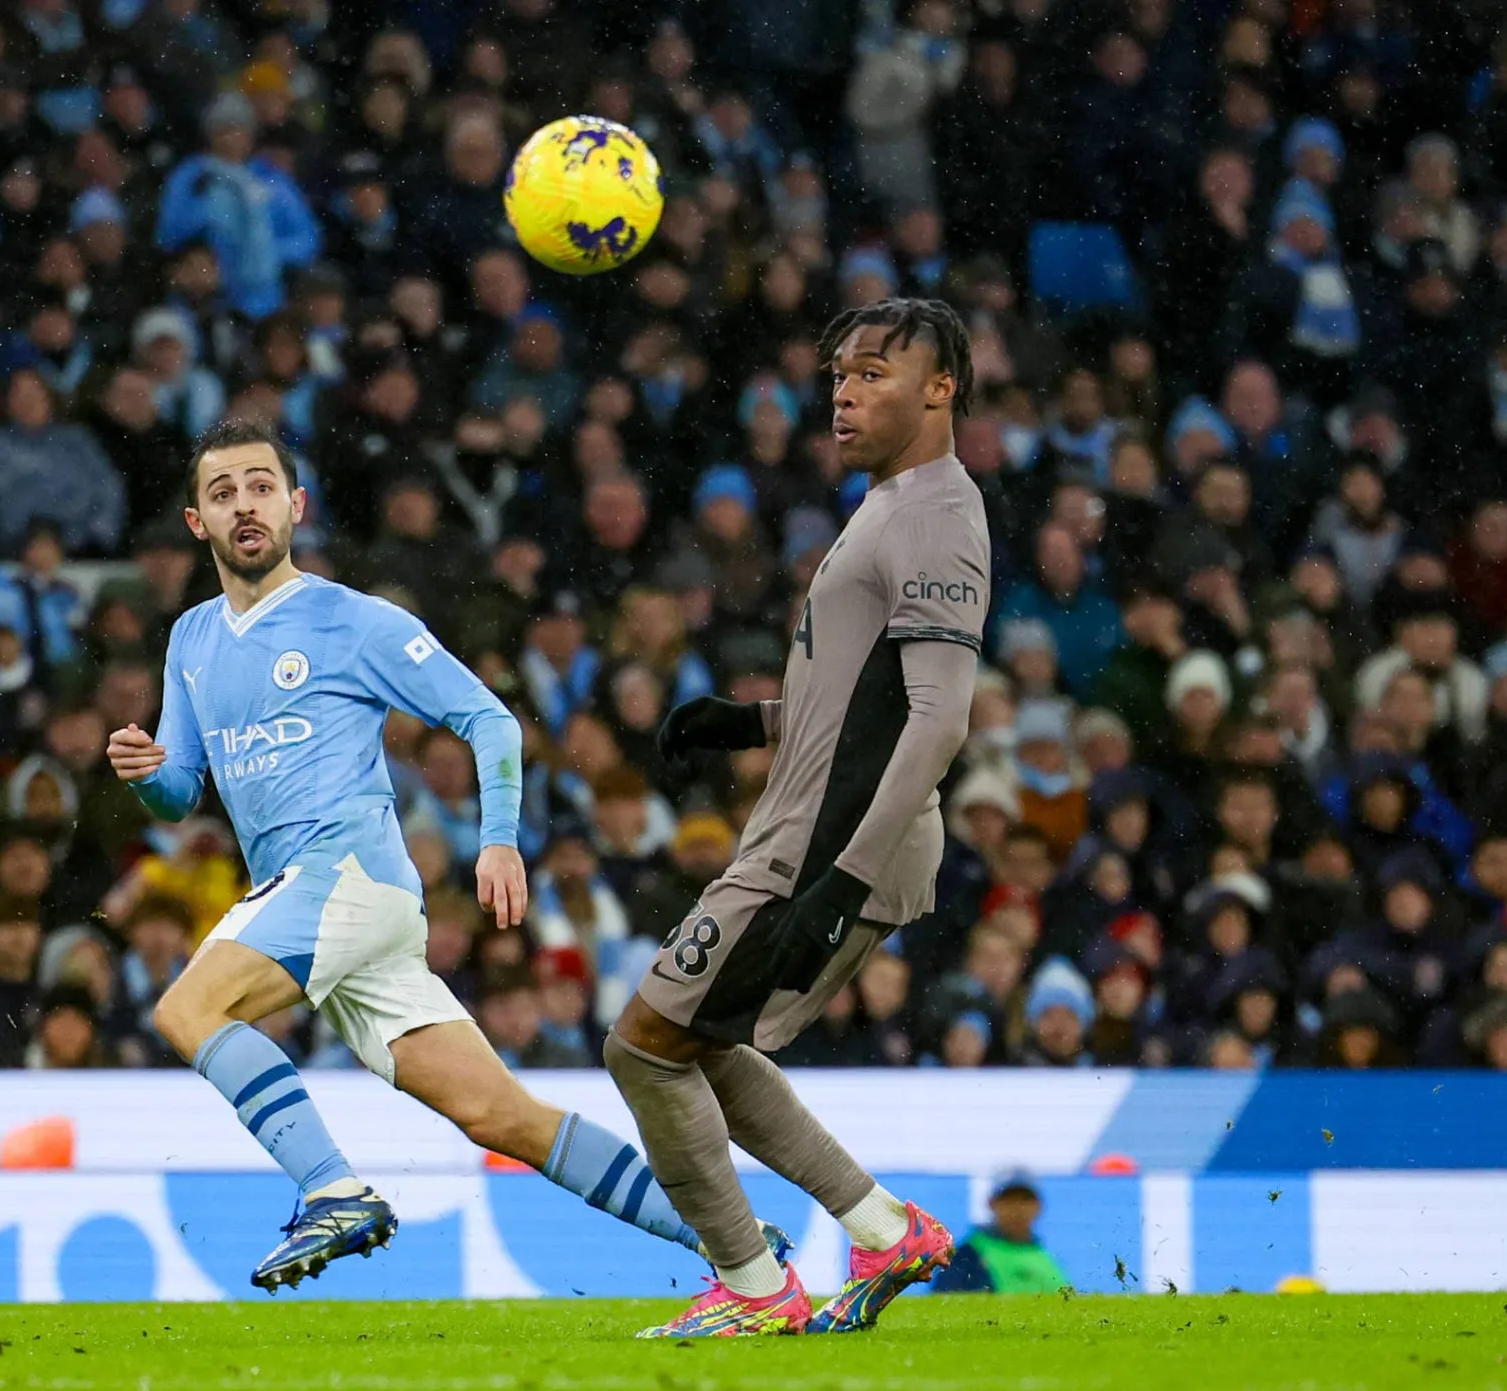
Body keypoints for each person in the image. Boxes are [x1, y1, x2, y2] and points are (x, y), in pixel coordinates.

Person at [106, 419, 772, 1293]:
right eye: (222, 492)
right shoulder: (191, 638)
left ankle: (332, 1189)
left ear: (295, 505)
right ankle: (742, 1246)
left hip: (343, 875)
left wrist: (499, 838)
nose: (245, 505)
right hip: (320, 902)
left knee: (188, 1010)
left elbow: (488, 718)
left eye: (260, 486)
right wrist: (146, 775)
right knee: (500, 1115)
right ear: (198, 522)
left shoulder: (353, 620)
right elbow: (184, 788)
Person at [615, 298, 986, 1338]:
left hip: (828, 845)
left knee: (644, 1046)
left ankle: (751, 1282)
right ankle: (881, 1227)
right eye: (839, 374)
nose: (845, 391)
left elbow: (940, 717)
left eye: (874, 372)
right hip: (806, 828)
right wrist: (754, 722)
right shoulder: (889, 504)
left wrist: (840, 880)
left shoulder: (934, 516)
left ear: (941, 387)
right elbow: (863, 698)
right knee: (703, 1044)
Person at [929, 1171, 1072, 1294]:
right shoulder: (968, 1257)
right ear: (991, 1204)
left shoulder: (1043, 1257)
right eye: (1009, 1200)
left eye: (1025, 1200)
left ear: (1038, 1206)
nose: (1018, 1209)